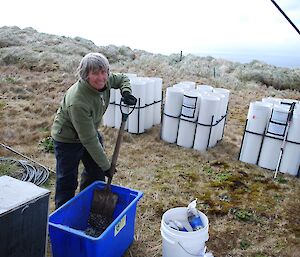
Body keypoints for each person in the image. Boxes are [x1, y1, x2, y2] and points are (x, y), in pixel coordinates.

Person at [51, 52, 137, 209]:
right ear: (86, 75)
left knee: (96, 175)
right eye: (95, 73)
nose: (101, 77)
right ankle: (62, 218)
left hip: (88, 130)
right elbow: (89, 139)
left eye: (104, 72)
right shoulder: (78, 101)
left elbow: (123, 78)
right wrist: (107, 166)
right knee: (67, 181)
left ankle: (87, 204)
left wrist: (126, 92)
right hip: (67, 139)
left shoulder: (106, 81)